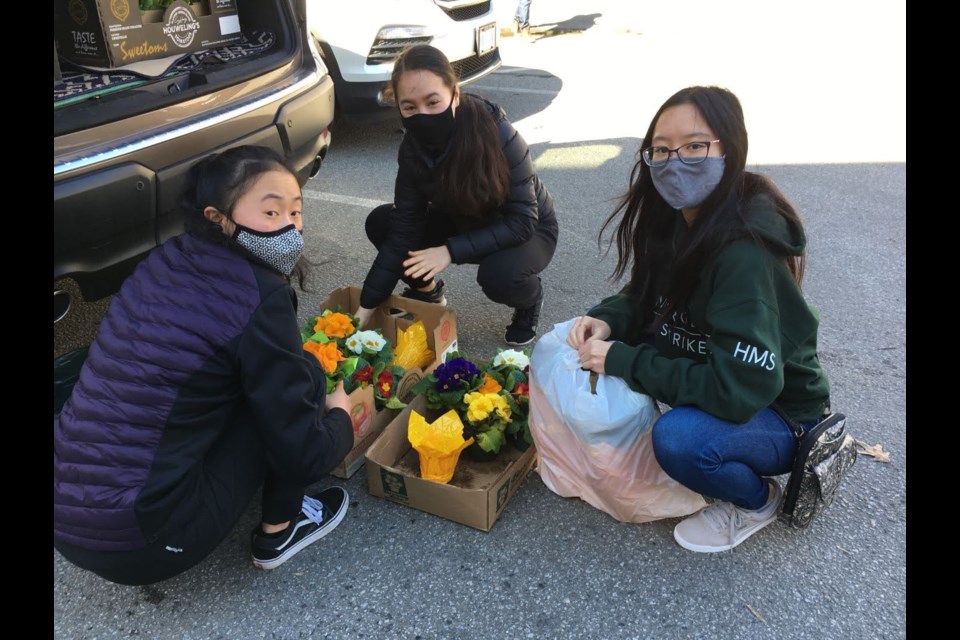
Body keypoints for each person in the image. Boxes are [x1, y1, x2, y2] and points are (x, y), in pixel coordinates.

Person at [53, 145, 355, 585]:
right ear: (218, 217)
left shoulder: (165, 258)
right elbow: (304, 454)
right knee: (304, 375)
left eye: (296, 211)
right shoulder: (259, 296)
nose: (291, 228)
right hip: (147, 543)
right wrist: (342, 419)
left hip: (68, 519)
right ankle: (280, 531)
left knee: (254, 379)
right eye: (272, 214)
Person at [567, 86, 832, 553]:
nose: (675, 162)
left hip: (780, 412)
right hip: (730, 377)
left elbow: (737, 391)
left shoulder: (744, 254)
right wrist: (606, 320)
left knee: (679, 440)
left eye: (694, 146)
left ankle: (755, 501)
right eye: (662, 150)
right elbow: (648, 297)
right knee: (602, 365)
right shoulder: (676, 219)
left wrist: (625, 361)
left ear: (729, 150)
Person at [355, 44, 558, 347]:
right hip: (463, 219)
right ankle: (428, 292)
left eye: (432, 101)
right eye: (409, 107)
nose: (422, 115)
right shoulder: (412, 150)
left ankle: (529, 299)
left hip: (526, 227)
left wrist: (449, 250)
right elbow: (403, 230)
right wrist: (362, 311)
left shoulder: (499, 134)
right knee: (383, 223)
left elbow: (522, 220)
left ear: (455, 95)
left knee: (499, 276)